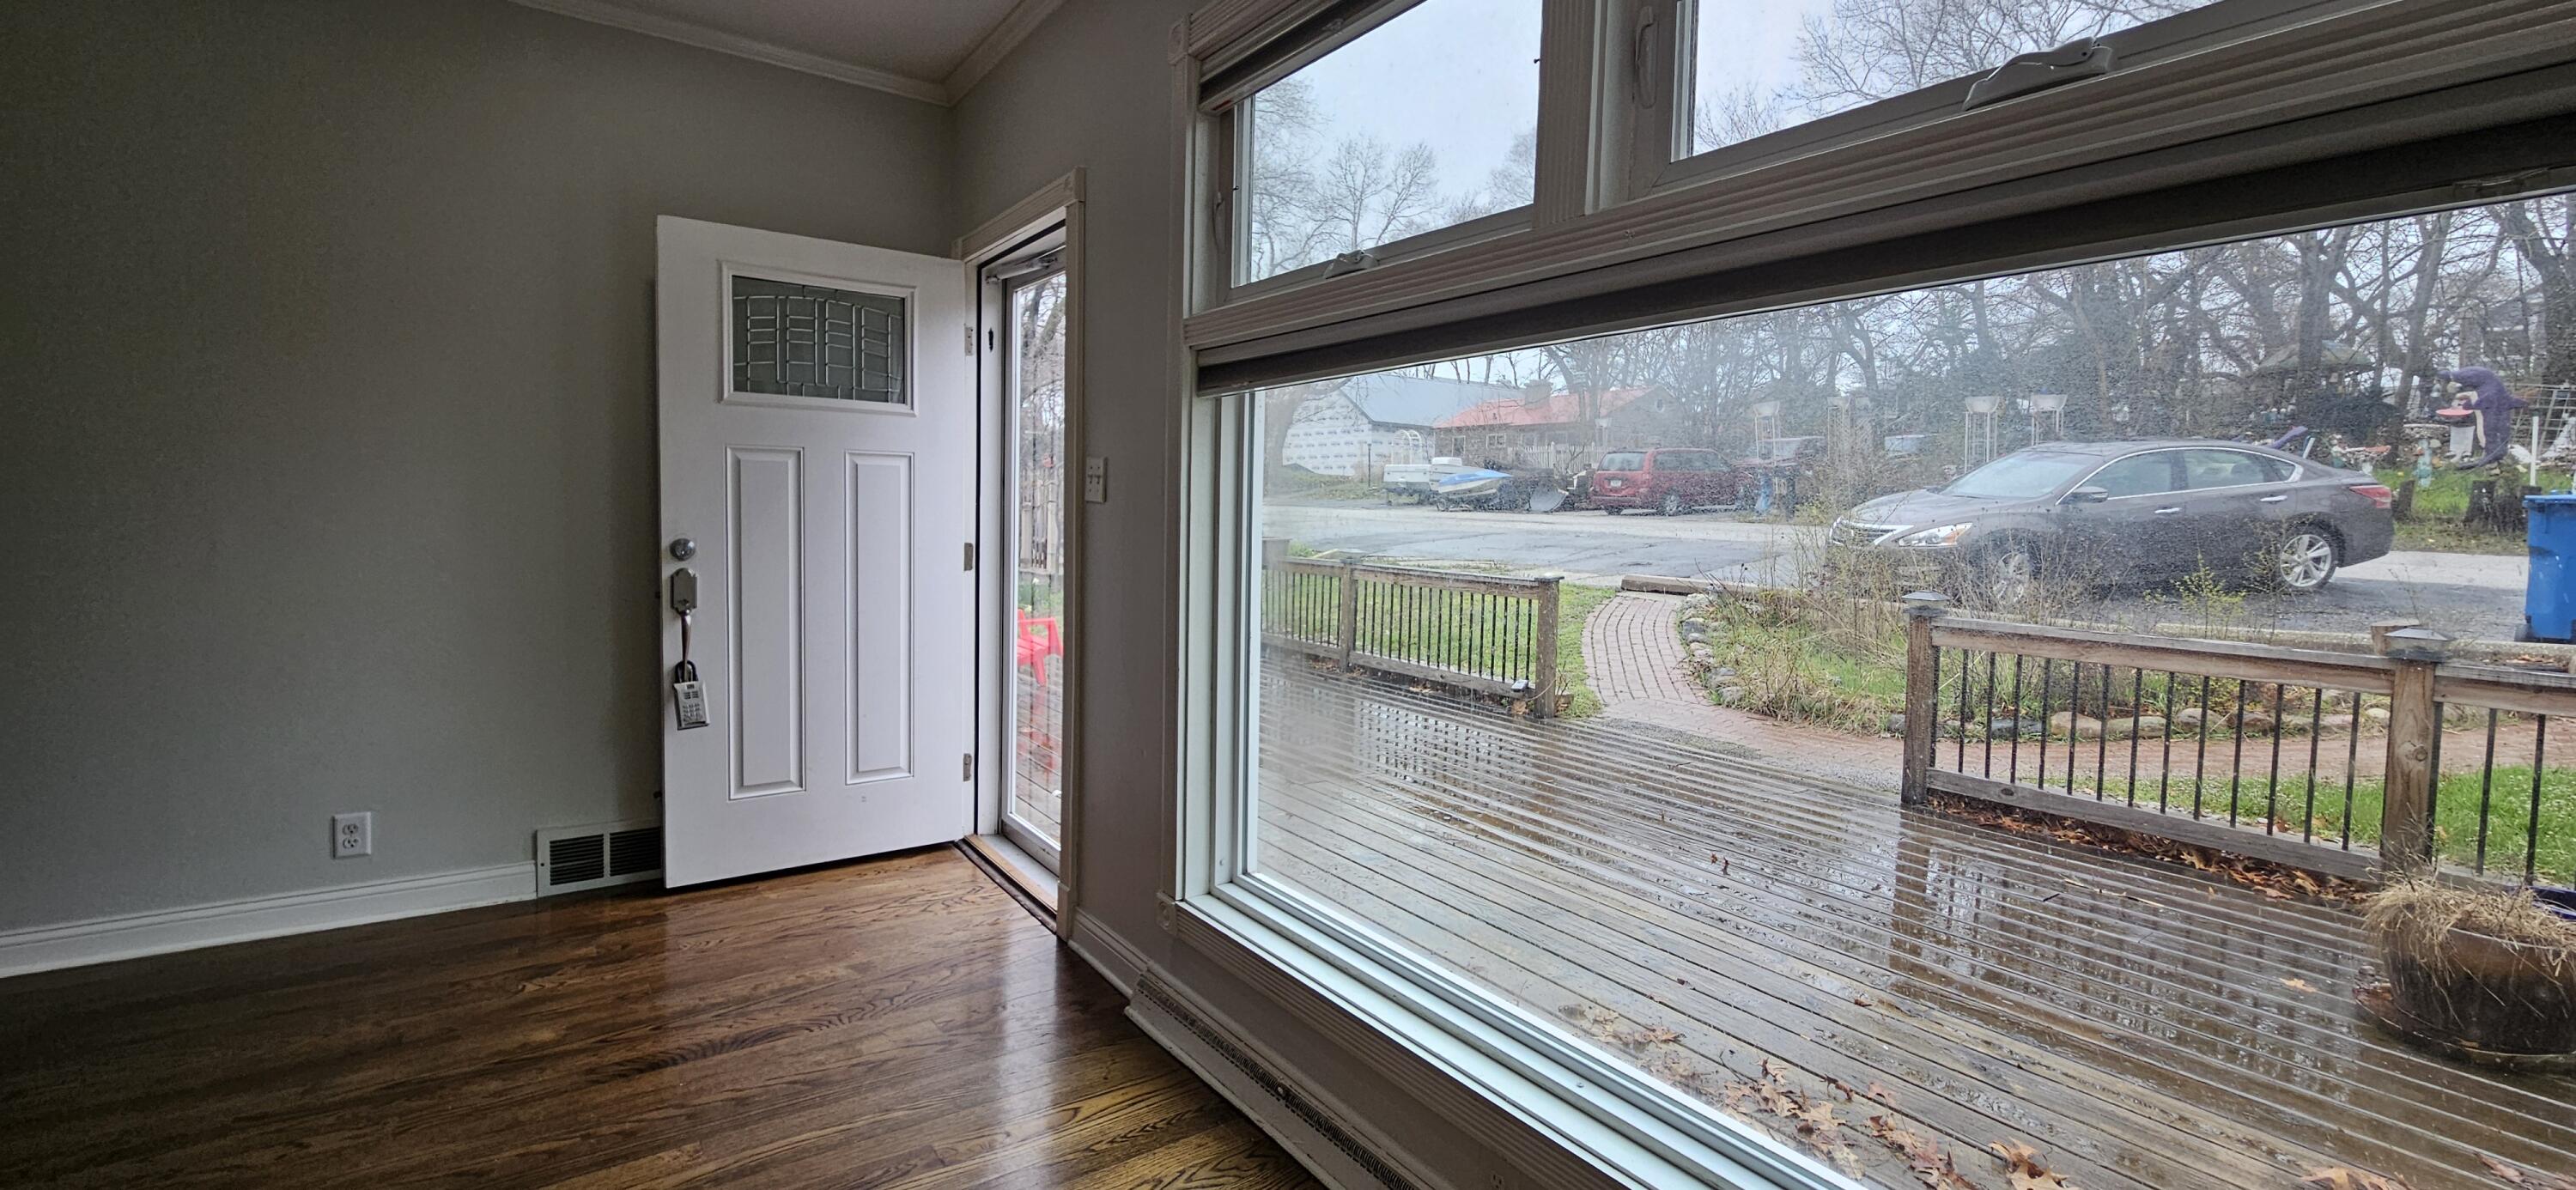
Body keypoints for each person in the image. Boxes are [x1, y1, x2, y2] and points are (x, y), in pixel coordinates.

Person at [2437, 366, 2529, 469]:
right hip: (2497, 399)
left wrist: (2467, 404)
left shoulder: (2464, 378)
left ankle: (2493, 453)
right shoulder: (2471, 378)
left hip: (2492, 400)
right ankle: (2494, 454)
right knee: (2494, 425)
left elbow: (2473, 401)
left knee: (2491, 426)